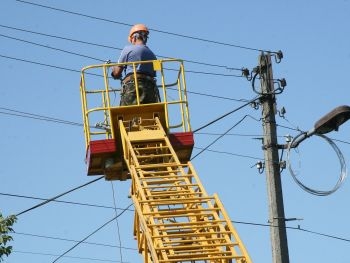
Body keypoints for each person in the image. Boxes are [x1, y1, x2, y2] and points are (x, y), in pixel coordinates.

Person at [111, 24, 160, 106]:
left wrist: (113, 71)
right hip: (150, 91)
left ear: (133, 37)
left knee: (125, 114)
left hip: (133, 88)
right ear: (145, 39)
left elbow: (117, 73)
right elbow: (155, 73)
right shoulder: (153, 56)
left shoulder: (127, 49)